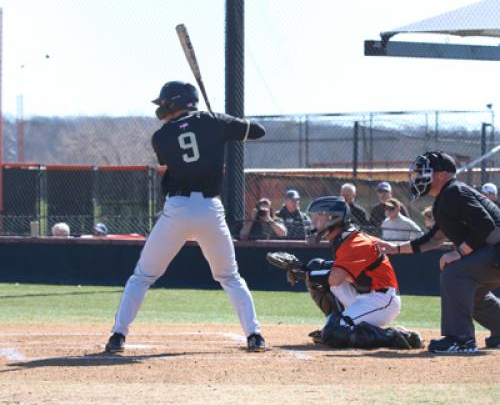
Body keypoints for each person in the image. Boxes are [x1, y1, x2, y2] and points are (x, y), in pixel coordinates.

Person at [105, 80, 267, 353]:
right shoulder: (214, 121)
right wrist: (224, 123)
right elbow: (259, 132)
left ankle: (118, 335)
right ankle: (255, 335)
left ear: (177, 102)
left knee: (142, 277)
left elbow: (177, 152)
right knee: (229, 276)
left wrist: (214, 125)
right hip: (210, 210)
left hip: (177, 210)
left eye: (166, 103)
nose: (162, 109)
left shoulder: (161, 136)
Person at [379, 151, 500, 354]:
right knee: (473, 292)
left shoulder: (455, 192)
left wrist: (459, 253)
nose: (418, 177)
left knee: (455, 273)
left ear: (442, 175)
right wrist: (396, 249)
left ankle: (461, 340)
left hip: (496, 249)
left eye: (424, 172)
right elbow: (433, 238)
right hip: (493, 252)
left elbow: (486, 226)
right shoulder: (446, 198)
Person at [273, 196, 422, 350]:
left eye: (319, 216)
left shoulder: (355, 242)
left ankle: (393, 336)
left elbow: (334, 280)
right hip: (364, 295)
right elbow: (333, 275)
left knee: (334, 333)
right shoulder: (344, 238)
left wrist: (302, 272)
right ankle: (336, 324)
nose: (314, 221)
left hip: (382, 300)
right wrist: (305, 270)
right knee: (316, 267)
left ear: (333, 218)